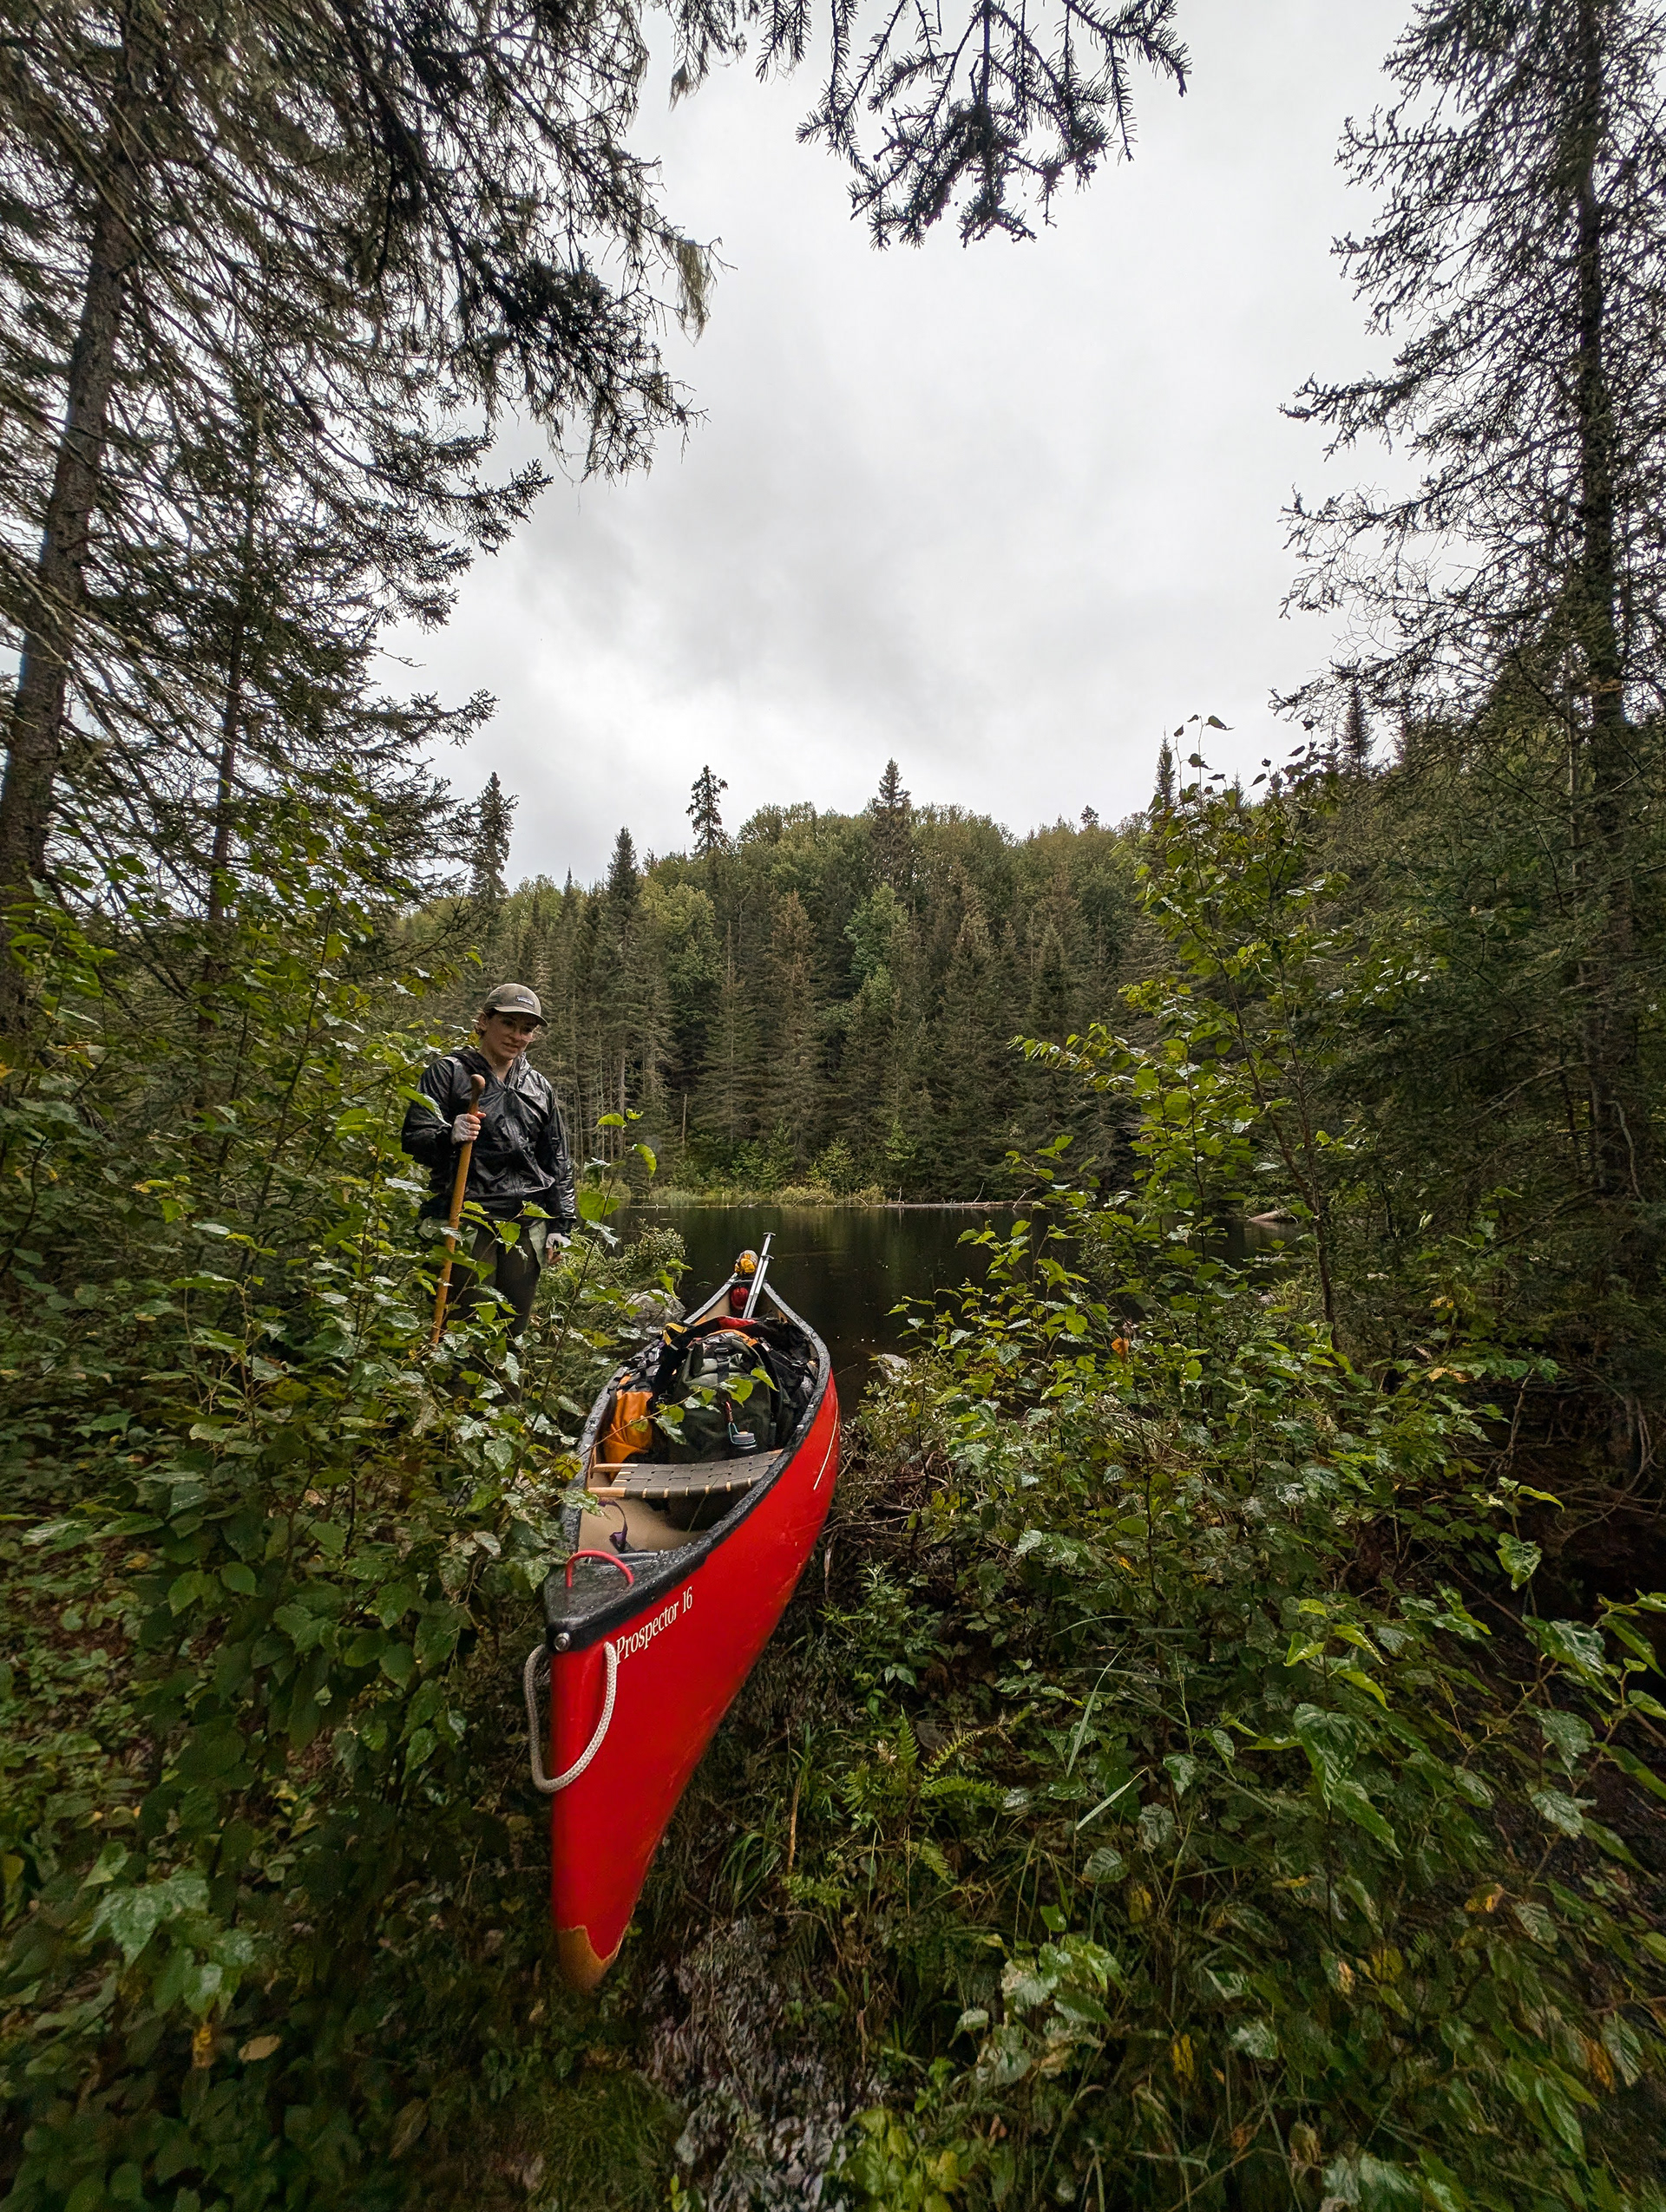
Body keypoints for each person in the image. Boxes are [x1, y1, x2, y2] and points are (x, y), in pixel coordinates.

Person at [401, 983, 578, 1337]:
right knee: (464, 1329)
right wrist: (448, 1133)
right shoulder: (448, 1073)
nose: (517, 1036)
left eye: (526, 1029)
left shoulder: (539, 1087)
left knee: (513, 1330)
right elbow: (415, 1138)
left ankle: (506, 1377)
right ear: (484, 1022)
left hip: (526, 1220)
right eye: (508, 1024)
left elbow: (556, 1158)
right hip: (465, 1216)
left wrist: (561, 1225)